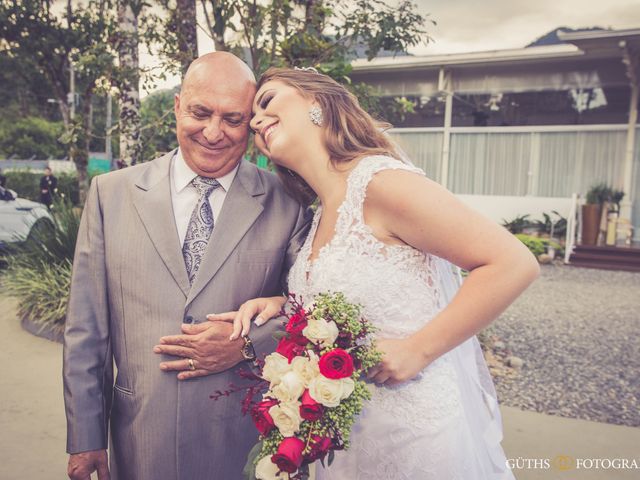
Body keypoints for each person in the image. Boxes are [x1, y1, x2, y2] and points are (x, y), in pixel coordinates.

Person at [224, 67, 542, 479]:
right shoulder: (320, 211)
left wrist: (418, 349)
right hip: (351, 439)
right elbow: (353, 299)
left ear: (317, 102)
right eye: (252, 119)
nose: (256, 121)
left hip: (414, 436)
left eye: (267, 102)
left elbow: (513, 263)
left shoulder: (381, 183)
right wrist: (283, 302)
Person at [63, 53, 311, 480]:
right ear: (177, 106)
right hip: (139, 439)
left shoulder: (289, 203)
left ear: (251, 124)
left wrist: (247, 342)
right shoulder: (110, 195)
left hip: (246, 444)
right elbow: (87, 330)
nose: (213, 133)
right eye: (200, 113)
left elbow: (310, 310)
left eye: (233, 119)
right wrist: (85, 436)